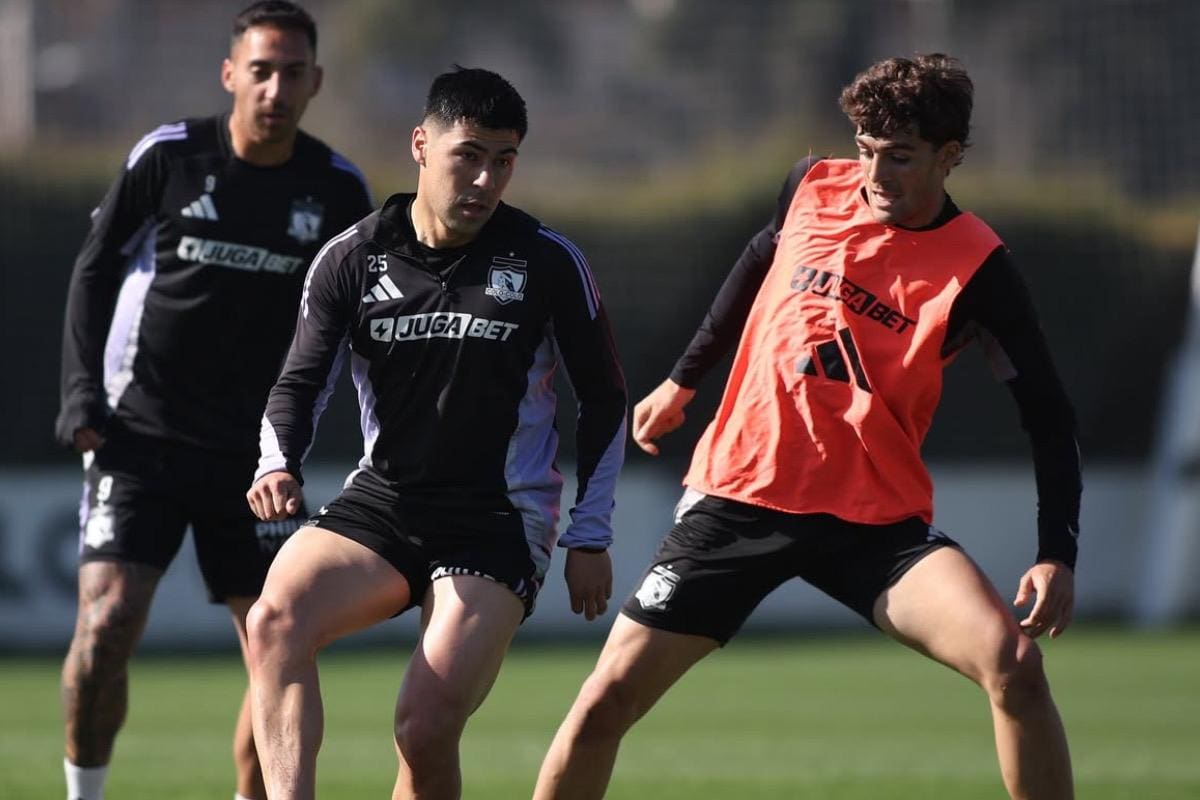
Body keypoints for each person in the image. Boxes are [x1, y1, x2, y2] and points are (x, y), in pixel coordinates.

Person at [534, 53, 1081, 800]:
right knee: (602, 704)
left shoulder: (980, 267)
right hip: (739, 498)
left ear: (950, 156)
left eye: (900, 158)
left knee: (1015, 667)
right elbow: (754, 264)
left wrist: (1057, 552)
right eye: (864, 150)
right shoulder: (811, 187)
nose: (874, 175)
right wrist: (683, 379)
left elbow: (1047, 415)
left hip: (874, 522)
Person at [243, 65, 628, 800]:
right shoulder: (351, 257)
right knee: (274, 619)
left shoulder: (547, 261)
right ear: (422, 145)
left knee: (422, 728)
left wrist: (591, 532)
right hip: (384, 504)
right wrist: (276, 462)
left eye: (504, 159)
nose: (486, 179)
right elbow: (299, 381)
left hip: (496, 520)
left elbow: (606, 399)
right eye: (469, 155)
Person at [54, 3, 373, 799]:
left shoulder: (337, 191)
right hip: (141, 435)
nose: (274, 88)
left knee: (278, 640)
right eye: (260, 70)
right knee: (107, 623)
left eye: (292, 73)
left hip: (257, 457)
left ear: (315, 83)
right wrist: (80, 392)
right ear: (230, 74)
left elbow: (362, 326)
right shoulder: (169, 157)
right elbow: (94, 270)